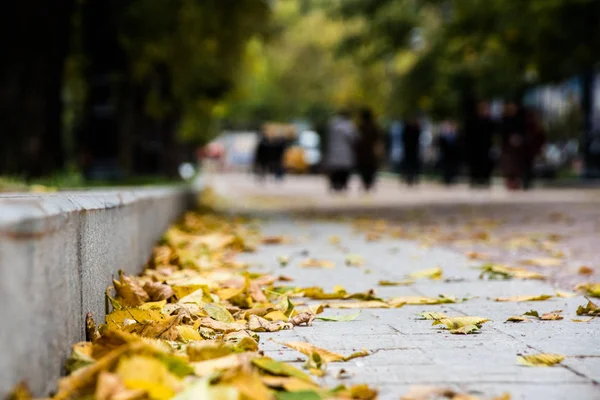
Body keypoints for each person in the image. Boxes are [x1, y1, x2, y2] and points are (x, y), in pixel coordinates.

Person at [325, 109, 358, 192]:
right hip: (345, 150)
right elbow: (354, 138)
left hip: (334, 150)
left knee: (335, 169)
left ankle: (335, 183)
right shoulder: (348, 125)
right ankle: (343, 184)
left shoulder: (332, 124)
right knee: (344, 169)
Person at [465, 101, 494, 187]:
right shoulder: (473, 120)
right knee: (475, 165)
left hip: (486, 147)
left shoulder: (489, 121)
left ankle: (485, 180)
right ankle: (475, 180)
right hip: (475, 147)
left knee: (486, 164)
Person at [500, 101, 527, 190]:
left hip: (517, 148)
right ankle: (510, 183)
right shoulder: (504, 119)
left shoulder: (519, 119)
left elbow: (523, 132)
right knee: (509, 167)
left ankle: (516, 183)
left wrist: (518, 138)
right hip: (507, 147)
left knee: (516, 167)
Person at [355, 108, 383, 191]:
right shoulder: (374, 127)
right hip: (371, 153)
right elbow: (378, 140)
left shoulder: (360, 127)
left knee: (364, 169)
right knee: (371, 169)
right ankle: (369, 183)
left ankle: (366, 183)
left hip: (363, 153)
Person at [523, 107, 546, 190]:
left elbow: (541, 138)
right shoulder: (528, 125)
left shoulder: (535, 126)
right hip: (527, 150)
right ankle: (526, 181)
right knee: (527, 166)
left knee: (529, 166)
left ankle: (527, 181)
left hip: (531, 150)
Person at [437, 120, 460, 185]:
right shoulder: (443, 136)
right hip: (446, 155)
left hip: (453, 155)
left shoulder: (456, 135)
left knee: (452, 167)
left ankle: (452, 179)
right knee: (446, 167)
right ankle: (446, 179)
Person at [401, 116, 422, 185]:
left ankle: (413, 178)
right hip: (408, 150)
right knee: (408, 165)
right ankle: (408, 179)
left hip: (414, 150)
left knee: (413, 165)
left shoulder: (416, 128)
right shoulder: (406, 128)